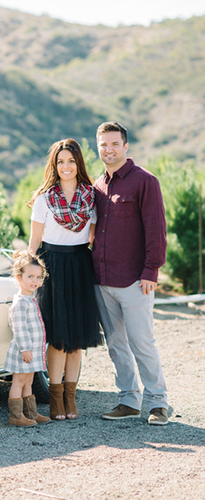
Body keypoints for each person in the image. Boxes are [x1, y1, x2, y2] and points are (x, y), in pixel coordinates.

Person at [92, 121, 169, 425]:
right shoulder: (98, 186)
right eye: (103, 145)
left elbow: (156, 229)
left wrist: (152, 269)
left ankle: (158, 403)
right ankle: (128, 400)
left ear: (125, 147)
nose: (108, 150)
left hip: (136, 280)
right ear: (98, 148)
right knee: (116, 343)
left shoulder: (144, 181)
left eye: (114, 144)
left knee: (142, 342)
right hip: (103, 279)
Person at [27, 138, 103, 421]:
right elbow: (34, 241)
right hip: (52, 266)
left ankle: (71, 400)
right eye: (60, 161)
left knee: (77, 340)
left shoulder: (91, 197)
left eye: (71, 161)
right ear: (54, 165)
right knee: (57, 338)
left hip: (80, 264)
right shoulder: (44, 198)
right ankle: (56, 400)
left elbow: (94, 238)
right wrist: (26, 273)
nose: (66, 166)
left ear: (78, 163)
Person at [4, 251, 51, 427]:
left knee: (29, 381)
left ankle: (30, 412)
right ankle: (16, 416)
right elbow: (20, 328)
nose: (35, 281)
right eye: (30, 276)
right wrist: (25, 349)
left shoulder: (30, 299)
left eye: (38, 277)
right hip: (24, 351)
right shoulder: (20, 303)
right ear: (18, 277)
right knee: (19, 381)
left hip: (32, 351)